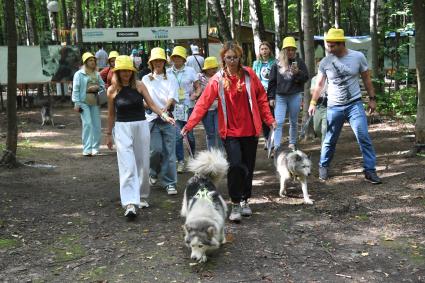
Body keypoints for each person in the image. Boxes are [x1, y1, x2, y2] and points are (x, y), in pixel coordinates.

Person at [181, 41, 276, 222]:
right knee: (235, 165)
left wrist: (269, 120)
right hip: (230, 130)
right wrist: (189, 125)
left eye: (235, 57)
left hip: (250, 129)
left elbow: (262, 99)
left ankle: (245, 200)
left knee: (248, 166)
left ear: (240, 58)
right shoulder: (217, 79)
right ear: (223, 58)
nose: (232, 61)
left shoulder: (250, 75)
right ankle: (234, 202)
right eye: (228, 57)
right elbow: (203, 103)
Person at [308, 28, 382, 184]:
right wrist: (313, 102)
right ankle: (324, 165)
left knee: (363, 137)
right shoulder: (325, 62)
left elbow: (367, 79)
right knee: (329, 139)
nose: (329, 48)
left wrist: (372, 98)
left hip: (354, 104)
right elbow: (320, 84)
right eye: (327, 45)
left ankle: (370, 170)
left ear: (342, 44)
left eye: (332, 45)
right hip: (334, 106)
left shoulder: (358, 57)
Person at [106, 55, 175, 218]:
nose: (125, 74)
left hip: (141, 125)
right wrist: (108, 134)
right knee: (127, 166)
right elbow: (110, 115)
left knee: (143, 163)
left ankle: (142, 196)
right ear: (117, 72)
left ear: (132, 71)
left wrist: (165, 116)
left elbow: (151, 104)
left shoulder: (139, 85)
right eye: (122, 71)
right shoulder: (112, 90)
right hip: (122, 128)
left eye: (128, 71)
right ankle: (130, 203)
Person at [142, 48, 180, 195]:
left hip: (168, 118)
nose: (158, 63)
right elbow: (144, 100)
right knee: (155, 150)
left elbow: (172, 96)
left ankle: (170, 182)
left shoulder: (171, 78)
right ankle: (153, 172)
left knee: (169, 152)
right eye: (155, 61)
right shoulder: (145, 79)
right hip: (151, 118)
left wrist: (165, 108)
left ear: (164, 62)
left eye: (160, 60)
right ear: (151, 63)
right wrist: (155, 109)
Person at [268, 36, 309, 150]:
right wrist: (271, 97)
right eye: (288, 49)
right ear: (284, 50)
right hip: (280, 96)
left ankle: (292, 143)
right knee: (279, 121)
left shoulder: (299, 62)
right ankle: (276, 146)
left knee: (294, 121)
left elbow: (305, 78)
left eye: (293, 49)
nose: (291, 52)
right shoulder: (276, 64)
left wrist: (297, 73)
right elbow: (272, 81)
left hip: (294, 95)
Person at [166, 46, 201, 173]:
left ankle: (192, 158)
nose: (177, 59)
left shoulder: (190, 71)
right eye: (175, 57)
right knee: (177, 136)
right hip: (174, 108)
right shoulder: (168, 72)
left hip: (189, 107)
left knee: (190, 136)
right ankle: (180, 161)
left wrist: (195, 95)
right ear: (172, 58)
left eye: (179, 57)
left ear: (184, 59)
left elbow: (198, 88)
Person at [72, 52, 105, 156]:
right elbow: (75, 89)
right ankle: (87, 149)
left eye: (94, 60)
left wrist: (97, 88)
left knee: (97, 125)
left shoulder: (97, 74)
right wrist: (76, 103)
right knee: (87, 124)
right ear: (85, 62)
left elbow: (103, 86)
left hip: (95, 102)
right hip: (83, 102)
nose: (93, 62)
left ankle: (95, 148)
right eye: (90, 60)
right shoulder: (79, 74)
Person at [252, 41, 276, 149]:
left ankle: (273, 140)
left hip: (271, 93)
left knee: (271, 117)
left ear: (270, 50)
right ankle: (267, 139)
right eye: (262, 49)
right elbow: (253, 78)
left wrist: (274, 95)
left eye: (266, 49)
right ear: (259, 51)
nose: (264, 51)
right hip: (259, 94)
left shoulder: (275, 62)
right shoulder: (256, 63)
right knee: (263, 118)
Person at [198, 56, 223, 150]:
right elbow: (196, 90)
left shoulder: (220, 76)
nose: (214, 69)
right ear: (206, 69)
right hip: (206, 110)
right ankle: (211, 154)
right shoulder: (200, 78)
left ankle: (221, 153)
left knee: (219, 131)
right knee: (210, 133)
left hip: (219, 108)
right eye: (211, 68)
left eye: (215, 67)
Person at [310, 59, 328, 144]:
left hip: (327, 106)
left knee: (325, 129)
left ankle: (324, 148)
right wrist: (319, 90)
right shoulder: (314, 79)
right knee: (316, 128)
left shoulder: (330, 78)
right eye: (318, 66)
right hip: (317, 106)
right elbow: (312, 91)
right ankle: (323, 140)